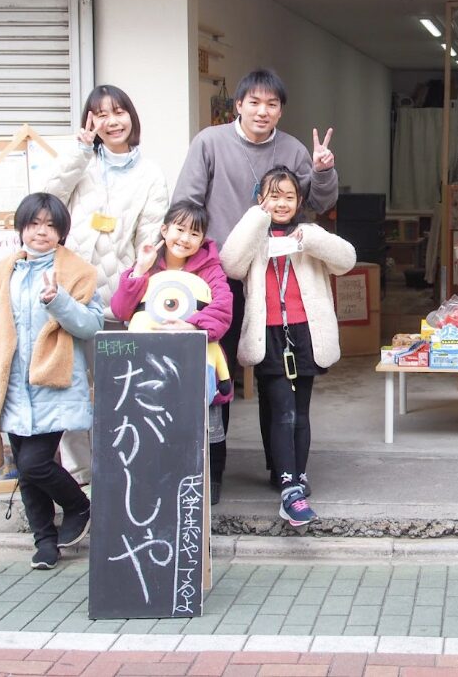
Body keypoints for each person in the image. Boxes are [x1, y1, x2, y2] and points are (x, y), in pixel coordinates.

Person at [172, 68, 338, 488]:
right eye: (255, 103)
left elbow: (317, 202)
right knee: (218, 371)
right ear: (238, 105)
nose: (263, 111)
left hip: (274, 276)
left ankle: (280, 468)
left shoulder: (295, 149)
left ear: (281, 110)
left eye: (272, 104)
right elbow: (188, 203)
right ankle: (213, 470)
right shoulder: (210, 143)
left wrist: (321, 171)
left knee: (273, 376)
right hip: (219, 276)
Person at [44, 84, 169, 485]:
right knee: (73, 387)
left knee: (117, 391)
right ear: (89, 122)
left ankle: (118, 476)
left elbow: (148, 239)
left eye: (118, 112)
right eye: (100, 114)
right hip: (72, 294)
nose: (111, 121)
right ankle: (81, 478)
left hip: (117, 301)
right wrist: (78, 153)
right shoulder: (84, 162)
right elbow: (45, 202)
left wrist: (132, 293)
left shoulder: (150, 174)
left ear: (131, 116)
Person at [220, 166, 356, 527]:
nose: (281, 203)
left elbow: (346, 260)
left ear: (299, 201)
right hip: (268, 333)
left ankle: (293, 473)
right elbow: (231, 264)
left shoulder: (309, 233)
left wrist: (308, 240)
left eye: (289, 196)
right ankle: (289, 487)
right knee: (282, 408)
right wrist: (256, 217)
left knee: (300, 410)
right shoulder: (254, 232)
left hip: (305, 332)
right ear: (260, 198)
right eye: (273, 195)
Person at [0, 193, 104, 571]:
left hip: (53, 385)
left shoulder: (77, 272)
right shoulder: (3, 272)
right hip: (12, 386)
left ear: (61, 232)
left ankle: (81, 506)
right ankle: (45, 543)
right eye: (34, 224)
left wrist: (58, 300)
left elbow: (91, 326)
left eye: (50, 225)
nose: (41, 232)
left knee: (33, 465)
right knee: (28, 474)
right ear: (22, 228)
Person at [109, 199, 233, 505]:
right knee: (156, 422)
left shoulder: (211, 269)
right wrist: (139, 269)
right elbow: (121, 310)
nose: (185, 238)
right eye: (179, 229)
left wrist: (193, 326)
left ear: (203, 239)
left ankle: (212, 477)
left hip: (198, 359)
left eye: (194, 233)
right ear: (165, 230)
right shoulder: (148, 264)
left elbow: (224, 309)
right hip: (150, 364)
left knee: (209, 423)